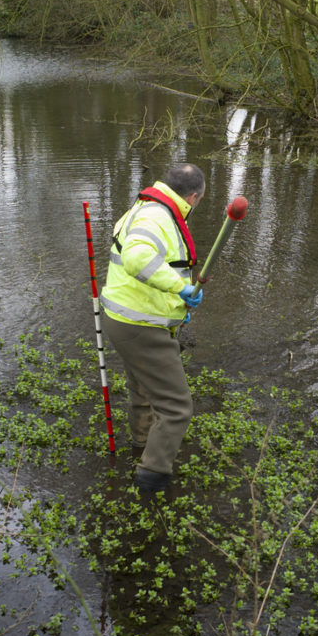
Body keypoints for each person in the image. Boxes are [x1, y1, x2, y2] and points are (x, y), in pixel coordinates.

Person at [101, 164, 207, 494]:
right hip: (139, 325)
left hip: (124, 319)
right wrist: (180, 290)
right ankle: (152, 480)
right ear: (193, 197)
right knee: (177, 408)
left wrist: (175, 312)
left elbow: (147, 267)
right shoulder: (159, 217)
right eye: (200, 199)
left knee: (144, 393)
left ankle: (141, 446)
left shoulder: (144, 207)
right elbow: (136, 258)